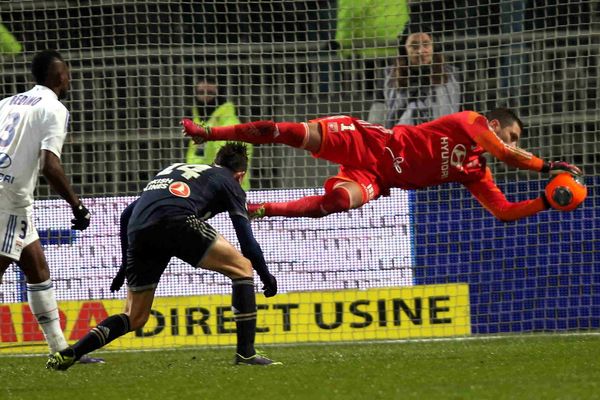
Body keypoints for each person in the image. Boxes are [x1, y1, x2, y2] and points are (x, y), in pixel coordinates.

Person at [46, 143, 280, 370]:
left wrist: (124, 264)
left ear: (214, 162)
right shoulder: (231, 182)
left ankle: (73, 352)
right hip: (177, 221)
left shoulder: (181, 170)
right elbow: (246, 241)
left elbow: (128, 213)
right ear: (240, 175)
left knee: (134, 316)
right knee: (242, 268)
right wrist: (265, 275)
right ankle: (246, 354)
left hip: (139, 229)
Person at [181, 109, 583, 222]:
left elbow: (504, 212)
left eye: (512, 142)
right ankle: (208, 133)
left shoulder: (476, 171)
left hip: (375, 176)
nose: (511, 145)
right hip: (368, 139)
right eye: (510, 135)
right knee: (285, 130)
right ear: (494, 126)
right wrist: (547, 166)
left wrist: (547, 201)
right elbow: (508, 154)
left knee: (339, 201)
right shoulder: (470, 122)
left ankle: (259, 209)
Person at [0, 50, 102, 364]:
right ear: (59, 76)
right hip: (9, 200)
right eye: (67, 73)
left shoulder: (7, 102)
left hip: (13, 199)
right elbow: (50, 166)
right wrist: (77, 205)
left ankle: (60, 349)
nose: (68, 79)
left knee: (37, 270)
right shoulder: (53, 108)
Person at [369, 31, 462, 128]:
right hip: (401, 137)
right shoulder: (388, 75)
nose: (421, 51)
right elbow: (377, 112)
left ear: (434, 47)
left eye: (426, 44)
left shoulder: (454, 76)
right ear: (404, 49)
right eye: (414, 46)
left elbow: (469, 113)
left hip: (441, 138)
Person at [185, 77, 253, 191]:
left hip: (227, 188)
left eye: (210, 92)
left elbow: (228, 159)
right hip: (208, 187)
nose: (205, 96)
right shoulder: (198, 120)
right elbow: (196, 156)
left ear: (219, 94)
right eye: (201, 92)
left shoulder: (228, 120)